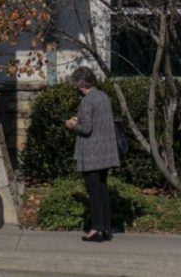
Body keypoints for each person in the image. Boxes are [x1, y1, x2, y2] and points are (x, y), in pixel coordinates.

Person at [65, 66, 120, 243]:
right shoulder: (103, 97)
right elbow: (97, 122)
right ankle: (106, 229)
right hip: (105, 152)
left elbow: (87, 129)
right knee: (103, 190)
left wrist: (72, 124)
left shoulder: (87, 101)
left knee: (94, 193)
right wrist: (79, 120)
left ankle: (96, 230)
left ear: (81, 84)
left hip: (91, 153)